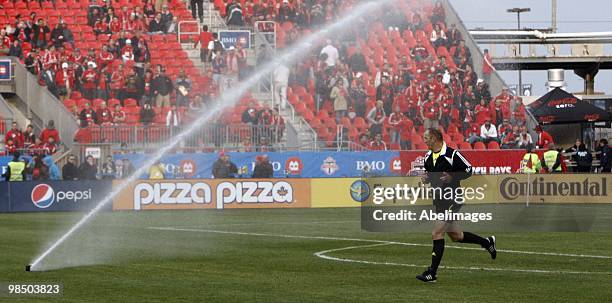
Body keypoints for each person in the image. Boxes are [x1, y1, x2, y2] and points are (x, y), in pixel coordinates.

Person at [416, 128, 496, 283]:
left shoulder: (452, 154)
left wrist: (452, 176)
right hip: (439, 200)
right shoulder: (427, 157)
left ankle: (432, 273)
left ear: (434, 138)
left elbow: (468, 170)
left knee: (436, 233)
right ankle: (487, 242)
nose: (424, 140)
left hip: (453, 198)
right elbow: (430, 176)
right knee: (456, 236)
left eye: (426, 137)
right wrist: (426, 179)